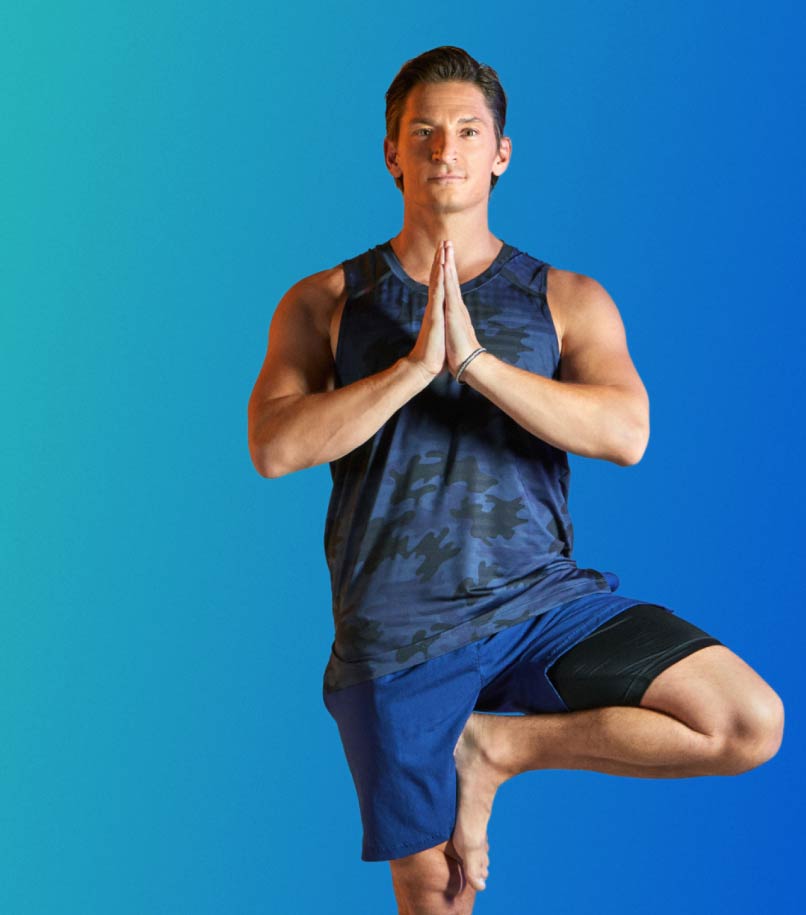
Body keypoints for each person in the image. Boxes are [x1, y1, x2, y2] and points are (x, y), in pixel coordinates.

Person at [247, 45, 785, 915]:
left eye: (466, 131)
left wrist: (476, 364)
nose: (443, 151)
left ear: (500, 151)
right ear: (391, 152)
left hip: (541, 605)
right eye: (421, 133)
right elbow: (273, 446)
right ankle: (471, 756)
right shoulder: (327, 299)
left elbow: (628, 432)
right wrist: (412, 371)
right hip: (396, 633)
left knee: (744, 720)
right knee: (441, 896)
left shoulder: (565, 297)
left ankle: (497, 749)